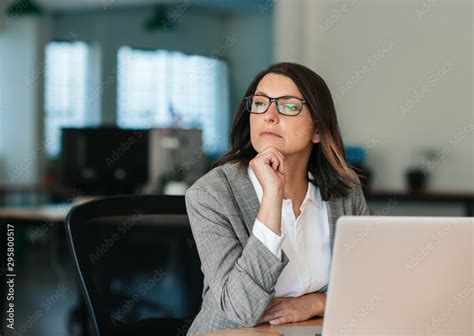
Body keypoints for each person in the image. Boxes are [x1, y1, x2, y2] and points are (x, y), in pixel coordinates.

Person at [184, 62, 370, 336]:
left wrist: (317, 303)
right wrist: (272, 199)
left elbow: (370, 288)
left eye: (289, 106)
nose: (269, 115)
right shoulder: (210, 194)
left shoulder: (345, 192)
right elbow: (240, 309)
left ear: (318, 130)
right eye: (260, 103)